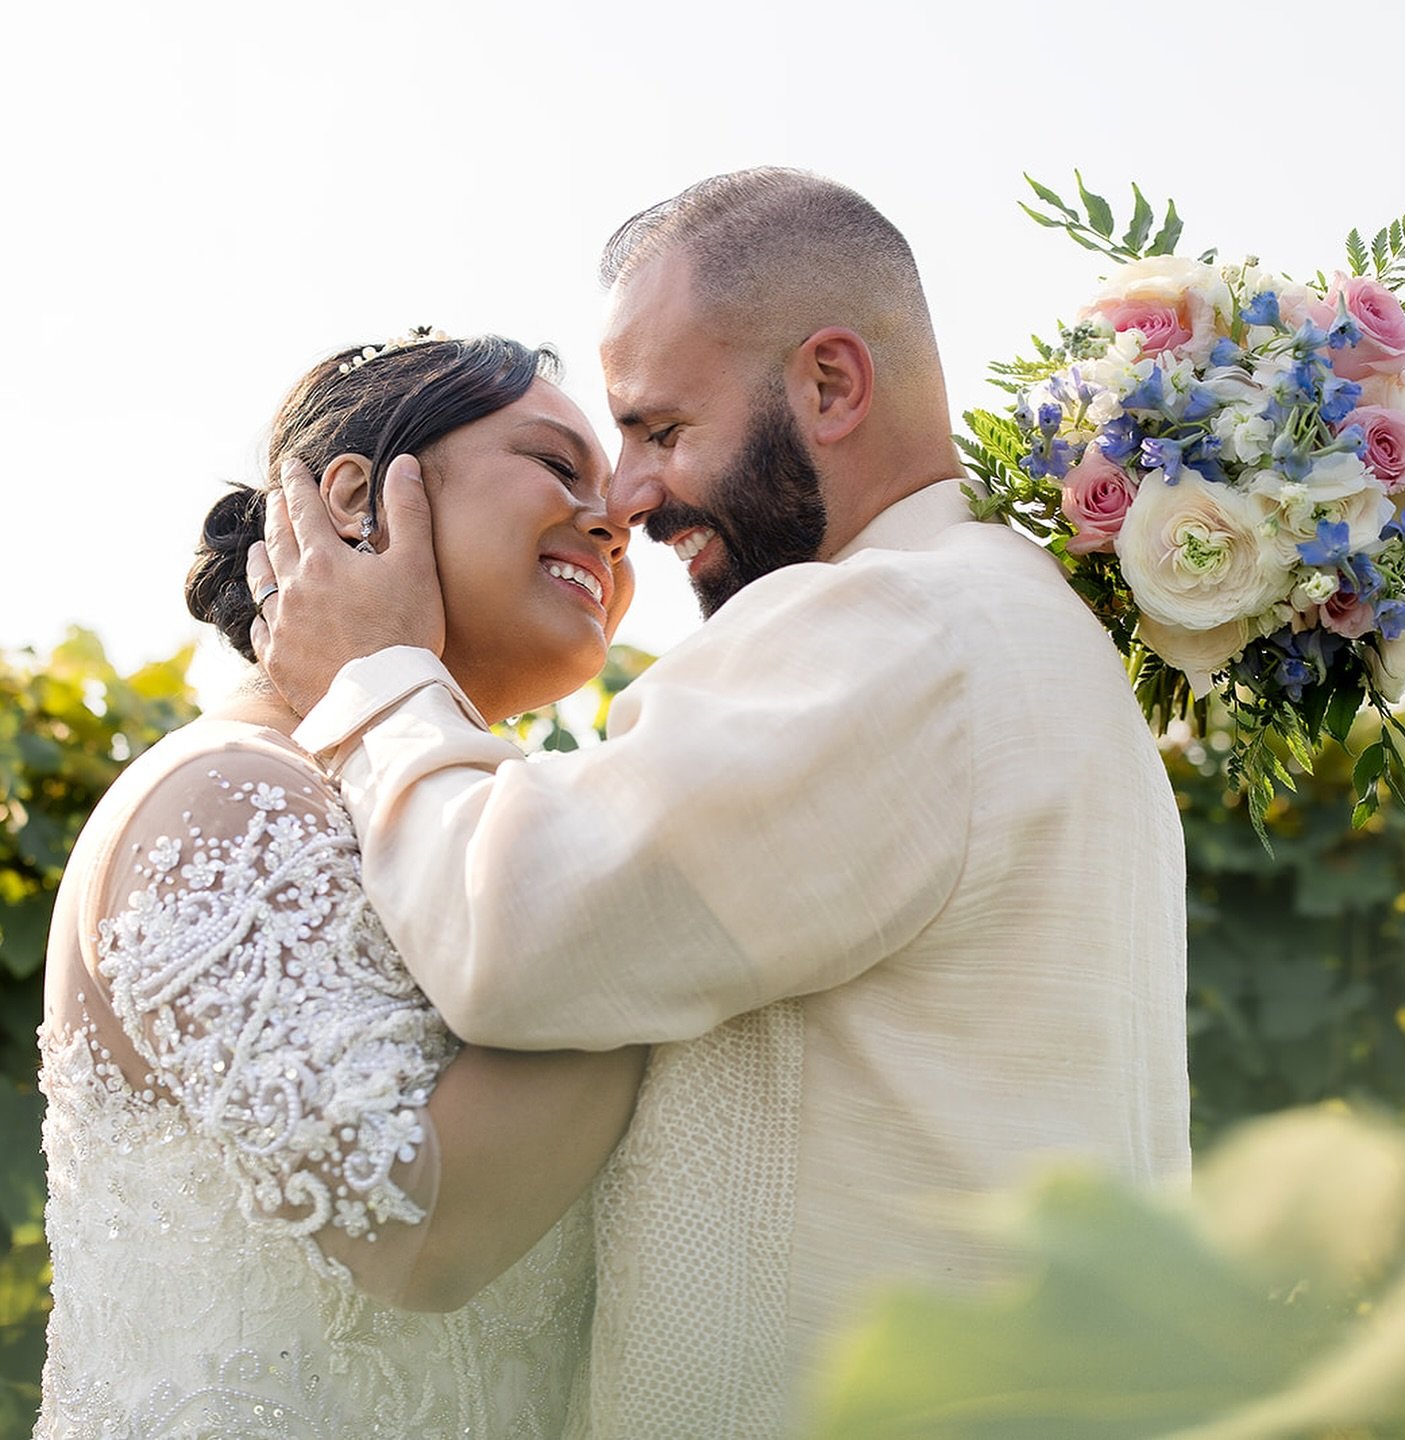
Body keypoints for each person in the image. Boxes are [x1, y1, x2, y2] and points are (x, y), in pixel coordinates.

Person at [252, 168, 1192, 1437]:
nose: (626, 501)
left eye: (658, 430)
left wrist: (372, 686)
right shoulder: (1016, 626)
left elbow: (520, 935)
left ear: (830, 385)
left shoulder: (892, 623)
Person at [35, 331, 646, 1438]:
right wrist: (675, 919)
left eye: (613, 494)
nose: (613, 518)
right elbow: (410, 1223)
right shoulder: (231, 796)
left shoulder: (442, 825)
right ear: (360, 497)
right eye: (558, 465)